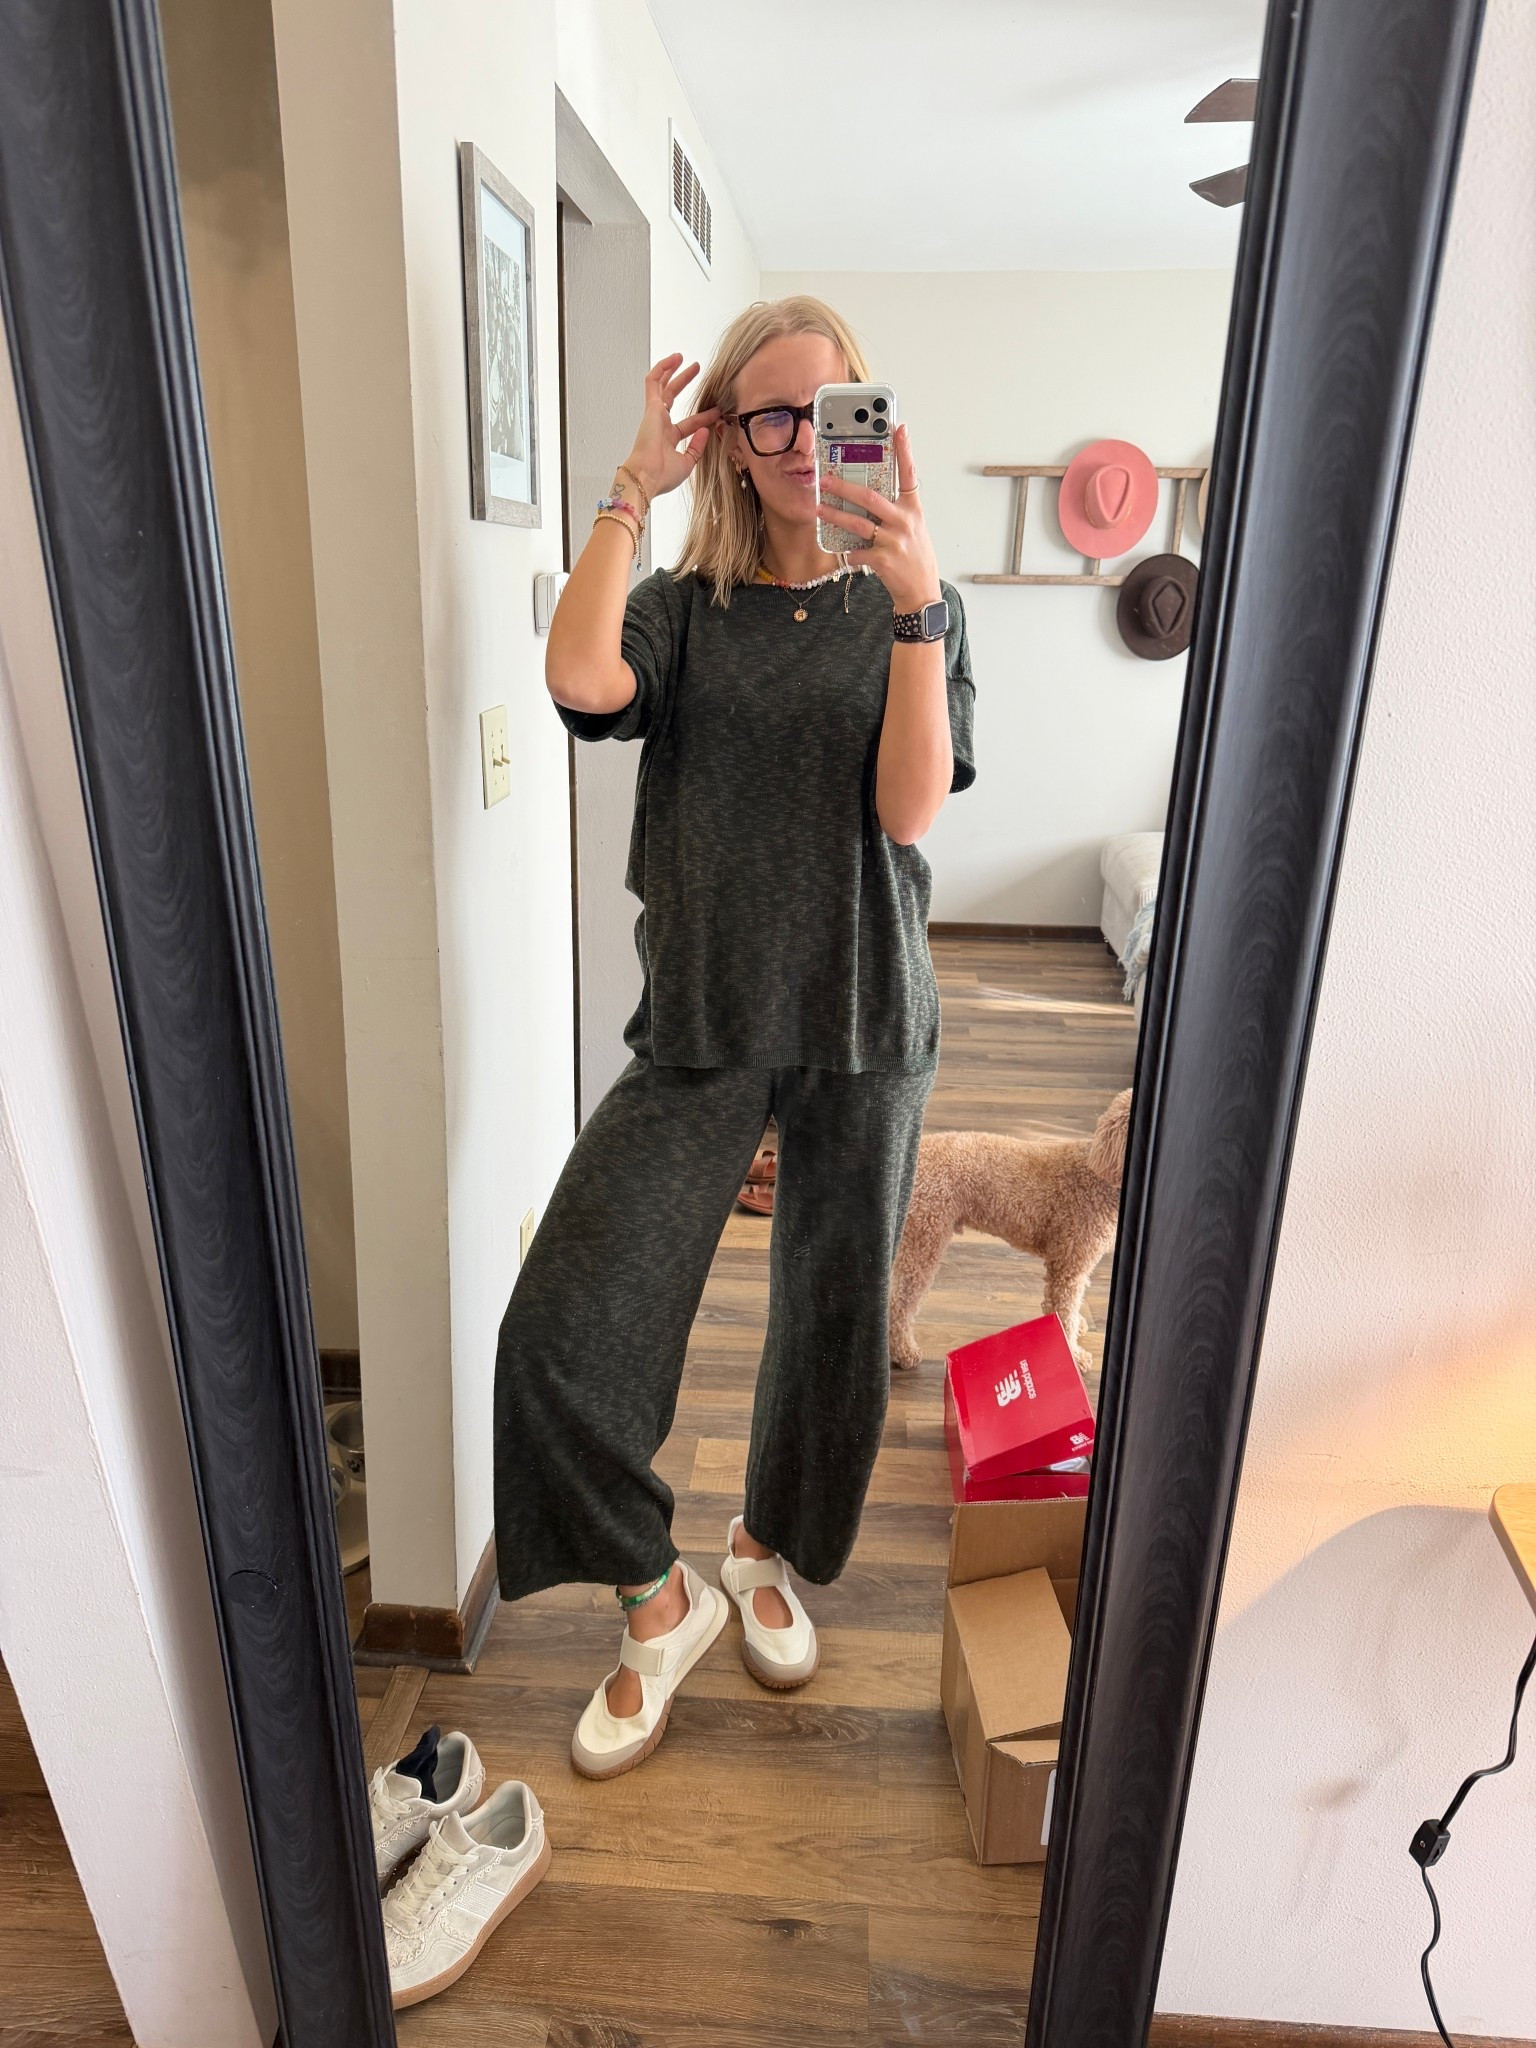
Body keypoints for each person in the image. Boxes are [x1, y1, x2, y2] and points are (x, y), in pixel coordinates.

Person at [492, 295, 974, 1779]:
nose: (795, 441)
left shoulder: (923, 602)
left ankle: (764, 1550)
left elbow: (910, 813)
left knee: (835, 1330)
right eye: (763, 414)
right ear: (729, 438)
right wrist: (630, 485)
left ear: (870, 418)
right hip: (703, 1014)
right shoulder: (684, 608)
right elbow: (579, 681)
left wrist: (915, 611)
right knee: (560, 1329)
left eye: (827, 410)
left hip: (863, 1013)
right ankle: (661, 1597)